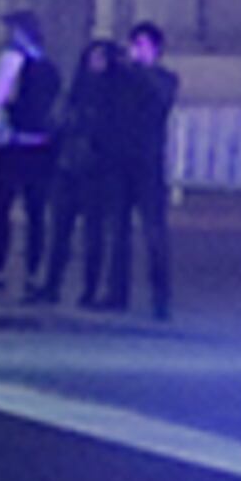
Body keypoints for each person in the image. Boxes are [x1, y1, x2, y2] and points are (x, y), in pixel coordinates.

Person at [91, 21, 179, 319]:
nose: (136, 51)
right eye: (134, 45)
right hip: (119, 163)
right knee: (118, 231)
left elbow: (159, 97)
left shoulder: (165, 79)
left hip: (148, 165)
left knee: (154, 233)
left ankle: (161, 297)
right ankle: (117, 293)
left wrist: (137, 68)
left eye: (142, 45)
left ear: (156, 49)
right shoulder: (122, 79)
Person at [26, 39, 122, 307]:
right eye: (92, 58)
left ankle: (89, 289)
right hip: (68, 167)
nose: (96, 64)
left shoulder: (113, 94)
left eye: (101, 58)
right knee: (60, 232)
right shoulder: (76, 90)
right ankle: (51, 284)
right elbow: (55, 121)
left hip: (96, 172)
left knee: (94, 236)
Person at [0, 11, 59, 293]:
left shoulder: (11, 60)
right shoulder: (48, 65)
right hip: (41, 146)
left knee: (2, 211)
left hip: (11, 144)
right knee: (36, 213)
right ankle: (33, 273)